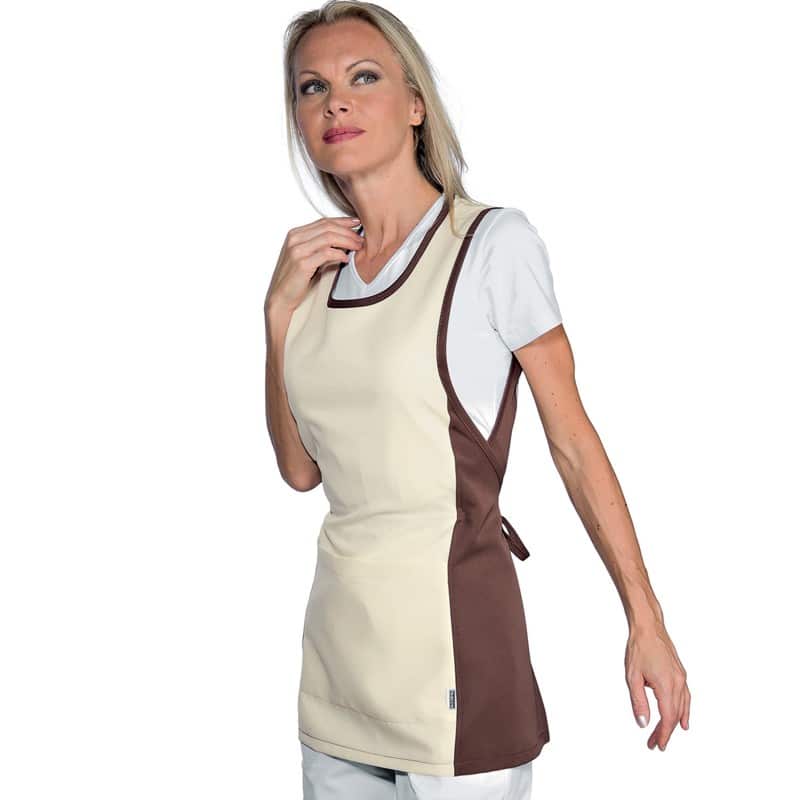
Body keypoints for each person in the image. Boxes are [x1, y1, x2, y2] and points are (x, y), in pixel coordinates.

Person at [265, 2, 691, 798]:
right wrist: (278, 312)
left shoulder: (491, 245)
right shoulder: (315, 272)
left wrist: (646, 619)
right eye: (311, 86)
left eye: (363, 77)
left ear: (414, 104)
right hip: (337, 669)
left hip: (453, 661)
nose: (335, 102)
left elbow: (573, 442)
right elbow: (300, 470)